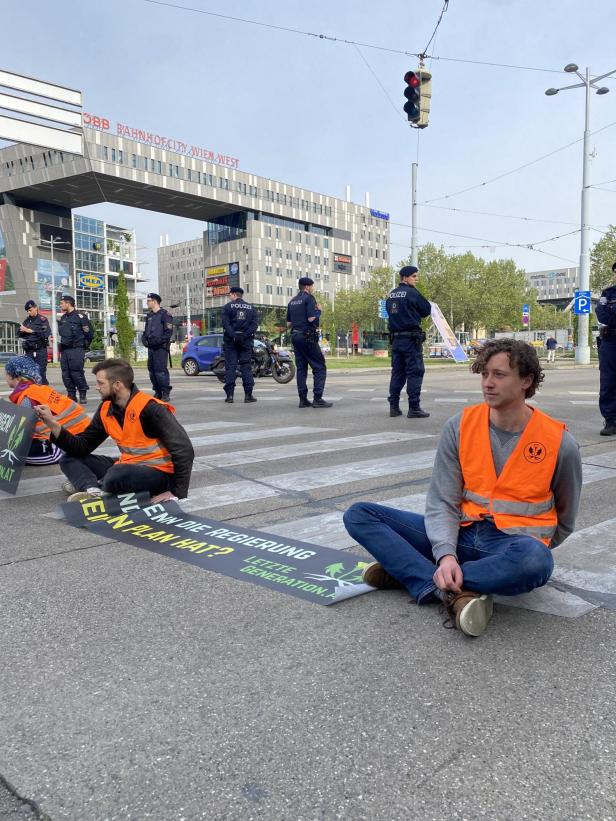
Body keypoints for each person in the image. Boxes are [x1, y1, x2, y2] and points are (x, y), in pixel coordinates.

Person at [343, 339, 582, 638]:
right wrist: (445, 554)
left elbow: (566, 517)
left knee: (536, 561)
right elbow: (443, 500)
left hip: (511, 546)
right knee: (359, 515)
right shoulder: (461, 425)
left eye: (499, 375)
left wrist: (524, 550)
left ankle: (411, 573)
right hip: (462, 533)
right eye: (484, 374)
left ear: (526, 380)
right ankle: (448, 586)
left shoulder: (559, 442)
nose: (488, 383)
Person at [34, 358, 194, 503]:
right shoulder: (106, 408)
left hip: (159, 473)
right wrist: (53, 424)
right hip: (127, 464)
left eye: (100, 383)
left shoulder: (150, 408)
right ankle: (93, 490)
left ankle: (98, 484)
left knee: (117, 474)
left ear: (117, 385)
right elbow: (82, 447)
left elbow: (183, 449)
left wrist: (176, 492)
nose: (96, 388)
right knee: (69, 459)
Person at [4, 355, 89, 465]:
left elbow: (21, 432)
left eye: (6, 373)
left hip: (57, 449)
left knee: (6, 450)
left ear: (14, 375)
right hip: (77, 440)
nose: (4, 376)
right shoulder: (38, 390)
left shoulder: (27, 397)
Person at [386, 265, 432, 419]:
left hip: (396, 340)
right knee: (415, 372)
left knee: (397, 373)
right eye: (414, 276)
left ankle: (394, 406)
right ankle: (414, 407)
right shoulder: (412, 293)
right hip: (411, 340)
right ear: (405, 277)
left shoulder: (391, 294)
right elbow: (426, 309)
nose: (416, 279)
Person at [286, 277, 332, 408]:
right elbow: (312, 319)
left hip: (295, 336)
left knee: (301, 369)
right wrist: (319, 311)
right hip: (307, 337)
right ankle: (318, 398)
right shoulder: (309, 299)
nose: (313, 288)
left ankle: (303, 399)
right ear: (307, 287)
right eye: (312, 286)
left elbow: (289, 324)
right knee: (319, 366)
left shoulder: (292, 301)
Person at [221, 286, 258, 403]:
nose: (229, 297)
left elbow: (225, 324)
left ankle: (230, 396)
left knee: (230, 367)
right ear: (241, 295)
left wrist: (233, 335)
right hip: (245, 341)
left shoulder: (227, 307)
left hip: (230, 341)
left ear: (233, 294)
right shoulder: (251, 308)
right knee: (246, 366)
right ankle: (248, 395)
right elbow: (254, 325)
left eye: (230, 295)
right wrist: (244, 335)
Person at [58, 294, 93, 403]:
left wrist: (83, 345)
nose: (60, 305)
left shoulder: (80, 317)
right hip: (65, 350)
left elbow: (89, 334)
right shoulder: (63, 318)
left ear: (68, 303)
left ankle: (82, 394)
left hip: (76, 350)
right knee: (66, 374)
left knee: (76, 372)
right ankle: (71, 394)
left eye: (62, 303)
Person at [595, 262, 616, 436]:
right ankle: (611, 421)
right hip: (611, 341)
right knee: (608, 382)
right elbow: (601, 313)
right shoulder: (608, 293)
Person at [142, 292, 173, 401]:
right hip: (151, 347)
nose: (147, 303)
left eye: (148, 301)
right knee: (152, 370)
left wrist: (158, 341)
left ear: (154, 302)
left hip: (160, 348)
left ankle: (165, 392)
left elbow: (168, 333)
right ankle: (157, 391)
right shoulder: (150, 316)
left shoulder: (165, 315)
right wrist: (144, 340)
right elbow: (146, 331)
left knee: (160, 370)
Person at [18, 300, 51, 385]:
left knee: (40, 374)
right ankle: (33, 395)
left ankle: (44, 393)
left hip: (40, 350)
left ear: (35, 308)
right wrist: (23, 331)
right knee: (30, 375)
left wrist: (31, 331)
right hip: (29, 351)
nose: (29, 312)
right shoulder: (27, 321)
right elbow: (19, 333)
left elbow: (45, 334)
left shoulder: (42, 320)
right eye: (27, 311)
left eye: (30, 310)